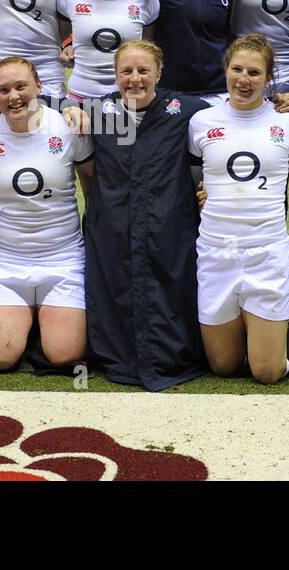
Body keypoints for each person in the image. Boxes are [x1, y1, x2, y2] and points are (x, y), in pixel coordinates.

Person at [86, 40, 210, 390]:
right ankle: (119, 354)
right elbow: (85, 167)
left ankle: (173, 351)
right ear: (115, 74)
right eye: (126, 71)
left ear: (159, 72)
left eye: (143, 70)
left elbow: (234, 123)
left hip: (168, 225)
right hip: (116, 224)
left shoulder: (189, 111)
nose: (135, 79)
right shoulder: (98, 113)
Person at [188, 34, 289, 384]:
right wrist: (201, 193)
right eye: (237, 69)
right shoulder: (202, 121)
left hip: (265, 252)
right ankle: (253, 327)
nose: (244, 79)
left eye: (254, 72)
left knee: (266, 373)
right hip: (216, 252)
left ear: (269, 78)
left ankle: (285, 333)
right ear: (225, 70)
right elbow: (195, 177)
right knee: (223, 366)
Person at [0, 57, 94, 371]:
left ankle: (45, 316)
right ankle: (27, 314)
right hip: (5, 262)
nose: (13, 96)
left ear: (38, 85)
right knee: (0, 357)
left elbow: (92, 186)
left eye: (21, 86)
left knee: (65, 355)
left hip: (62, 259)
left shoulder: (68, 127)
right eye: (3, 89)